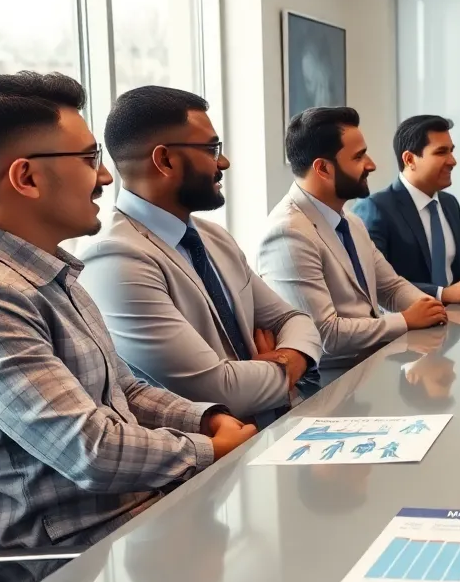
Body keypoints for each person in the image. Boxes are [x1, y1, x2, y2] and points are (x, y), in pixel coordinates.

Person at [0, 72, 255, 582]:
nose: (108, 177)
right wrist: (207, 448)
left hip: (142, 519)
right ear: (26, 178)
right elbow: (89, 450)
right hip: (71, 575)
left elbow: (126, 392)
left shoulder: (47, 270)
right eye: (89, 159)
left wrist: (203, 417)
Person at [79, 87, 322, 424]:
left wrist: (277, 360)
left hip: (280, 425)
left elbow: (294, 319)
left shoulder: (212, 237)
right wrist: (288, 364)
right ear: (164, 160)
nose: (223, 162)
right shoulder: (115, 259)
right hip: (218, 459)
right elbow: (218, 391)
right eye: (211, 149)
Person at [258, 107, 447, 368]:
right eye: (359, 157)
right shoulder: (288, 232)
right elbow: (324, 335)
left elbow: (390, 287)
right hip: (326, 385)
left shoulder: (351, 221)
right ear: (323, 168)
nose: (371, 164)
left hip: (371, 367)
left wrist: (428, 307)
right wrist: (406, 319)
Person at [351, 114, 460, 304]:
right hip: (408, 325)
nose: (452, 161)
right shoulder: (376, 208)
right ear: (409, 159)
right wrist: (442, 294)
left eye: (451, 151)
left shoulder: (450, 203)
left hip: (458, 319)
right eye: (441, 152)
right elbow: (375, 281)